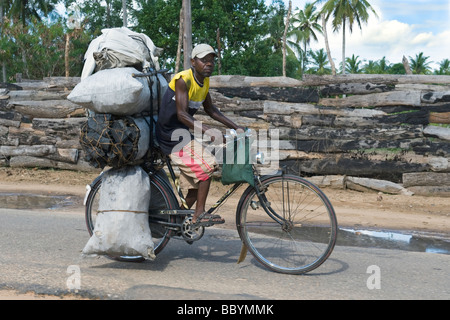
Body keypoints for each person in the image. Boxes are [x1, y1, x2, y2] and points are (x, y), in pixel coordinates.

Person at [156, 44, 242, 226]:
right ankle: (199, 215)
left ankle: (177, 223)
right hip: (171, 136)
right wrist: (208, 131)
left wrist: (236, 127)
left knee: (195, 187)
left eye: (211, 61)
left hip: (182, 135)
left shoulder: (204, 81)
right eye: (204, 60)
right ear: (193, 62)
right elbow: (181, 114)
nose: (209, 64)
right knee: (207, 166)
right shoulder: (183, 80)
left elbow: (211, 110)